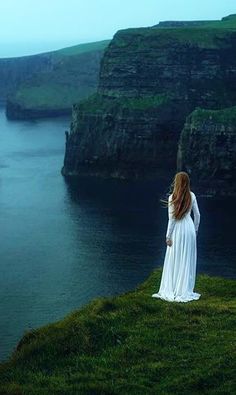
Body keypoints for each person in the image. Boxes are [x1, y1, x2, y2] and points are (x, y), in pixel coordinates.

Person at [152, 171, 201, 302]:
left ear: (177, 183)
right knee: (187, 258)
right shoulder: (192, 196)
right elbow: (197, 216)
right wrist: (195, 230)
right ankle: (185, 288)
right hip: (189, 228)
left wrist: (168, 236)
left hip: (178, 230)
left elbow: (172, 219)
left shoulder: (172, 197)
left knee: (175, 257)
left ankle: (173, 287)